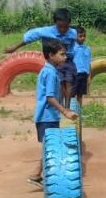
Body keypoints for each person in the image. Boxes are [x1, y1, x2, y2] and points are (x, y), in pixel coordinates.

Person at [28, 39, 79, 190]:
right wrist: (65, 111)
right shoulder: (49, 73)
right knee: (49, 148)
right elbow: (50, 97)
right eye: (62, 54)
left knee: (48, 147)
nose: (65, 57)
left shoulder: (50, 70)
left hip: (49, 116)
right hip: (47, 117)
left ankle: (37, 175)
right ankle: (35, 175)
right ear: (51, 55)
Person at [5, 8, 78, 101]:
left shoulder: (73, 33)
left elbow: (76, 47)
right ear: (55, 23)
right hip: (54, 63)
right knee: (57, 83)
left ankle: (68, 105)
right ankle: (58, 103)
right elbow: (30, 37)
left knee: (69, 82)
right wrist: (15, 47)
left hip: (68, 61)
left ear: (69, 24)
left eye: (66, 27)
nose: (63, 29)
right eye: (60, 27)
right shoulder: (46, 31)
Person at [71, 26, 92, 106]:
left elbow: (89, 63)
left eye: (84, 36)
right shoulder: (72, 48)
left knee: (80, 94)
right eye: (80, 36)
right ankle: (71, 110)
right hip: (75, 74)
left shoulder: (87, 49)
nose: (82, 38)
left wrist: (89, 76)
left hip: (84, 75)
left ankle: (79, 111)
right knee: (72, 94)